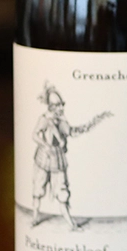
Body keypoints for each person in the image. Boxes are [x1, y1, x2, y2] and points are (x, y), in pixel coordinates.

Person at [31, 82, 112, 230]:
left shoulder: (61, 121)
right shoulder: (44, 120)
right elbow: (35, 135)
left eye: (62, 104)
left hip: (58, 159)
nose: (62, 107)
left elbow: (71, 132)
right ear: (51, 107)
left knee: (62, 191)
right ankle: (35, 217)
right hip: (43, 158)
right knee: (38, 188)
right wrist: (45, 145)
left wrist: (91, 124)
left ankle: (70, 223)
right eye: (59, 105)